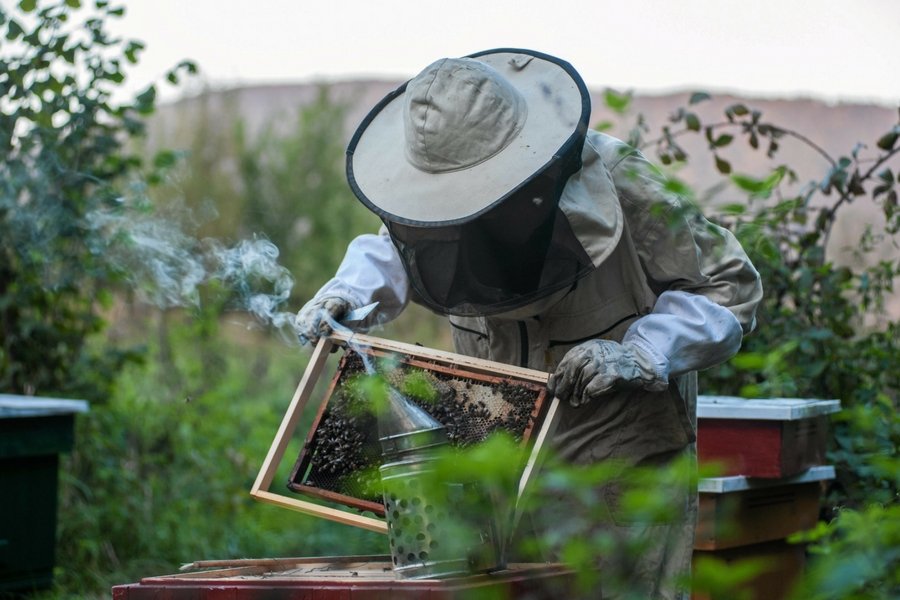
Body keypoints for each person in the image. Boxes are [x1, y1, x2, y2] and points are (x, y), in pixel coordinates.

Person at [295, 48, 762, 599]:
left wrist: (642, 352)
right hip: (493, 474)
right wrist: (349, 293)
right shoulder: (423, 202)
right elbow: (394, 251)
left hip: (617, 473)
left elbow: (730, 287)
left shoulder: (622, 181)